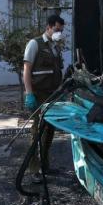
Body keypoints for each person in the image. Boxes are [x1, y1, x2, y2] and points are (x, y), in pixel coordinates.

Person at [23, 14, 65, 176]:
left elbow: (56, 71)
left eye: (61, 30)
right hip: (38, 94)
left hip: (52, 94)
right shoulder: (35, 44)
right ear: (48, 27)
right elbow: (26, 70)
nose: (59, 33)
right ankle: (34, 170)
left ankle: (45, 166)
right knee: (37, 132)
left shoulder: (55, 46)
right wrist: (29, 94)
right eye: (56, 29)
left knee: (49, 132)